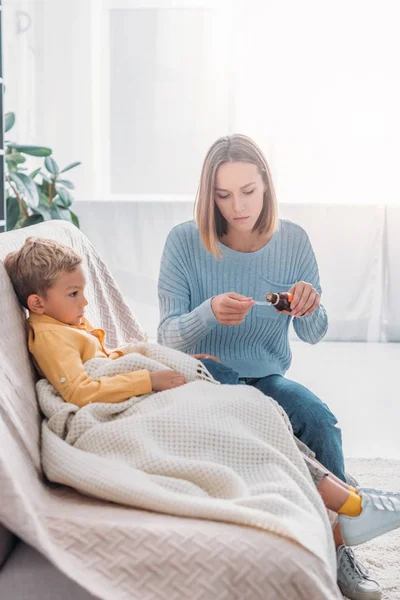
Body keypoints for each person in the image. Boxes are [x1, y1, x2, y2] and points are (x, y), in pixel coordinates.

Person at [157, 134, 383, 600]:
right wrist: (209, 312)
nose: (237, 206)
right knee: (242, 401)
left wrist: (310, 306)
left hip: (266, 374)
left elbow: (315, 333)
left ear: (266, 187)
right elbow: (166, 337)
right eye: (222, 195)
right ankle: (335, 500)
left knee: (318, 420)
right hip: (206, 377)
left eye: (247, 191)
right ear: (209, 195)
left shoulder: (293, 240)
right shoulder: (184, 242)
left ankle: (342, 542)